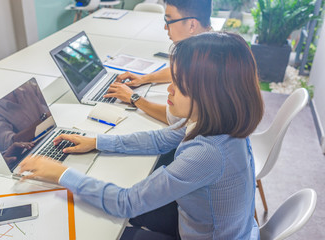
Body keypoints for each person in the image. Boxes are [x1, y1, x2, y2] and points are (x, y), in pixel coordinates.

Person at [19, 32, 264, 239]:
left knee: (103, 228)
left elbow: (126, 202)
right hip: (213, 223)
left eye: (178, 83)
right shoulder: (218, 120)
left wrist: (60, 173)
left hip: (207, 233)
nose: (169, 87)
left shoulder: (208, 153)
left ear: (208, 95)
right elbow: (160, 139)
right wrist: (96, 142)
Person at [104, 0, 212, 124]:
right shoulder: (208, 48)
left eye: (169, 21)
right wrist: (144, 78)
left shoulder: (208, 68)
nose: (165, 27)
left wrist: (135, 99)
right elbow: (178, 70)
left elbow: (175, 120)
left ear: (192, 25)